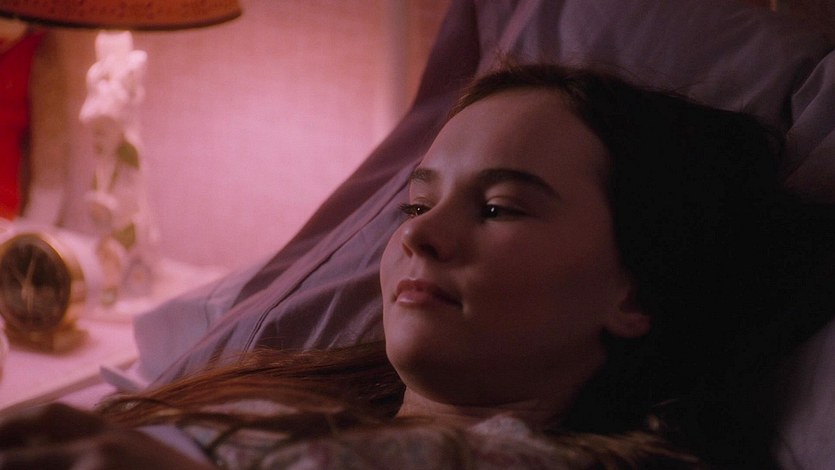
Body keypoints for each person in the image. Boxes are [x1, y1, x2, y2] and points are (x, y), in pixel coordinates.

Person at [1, 63, 833, 469]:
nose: (421, 236)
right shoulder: (262, 392)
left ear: (633, 289)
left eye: (499, 207)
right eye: (413, 204)